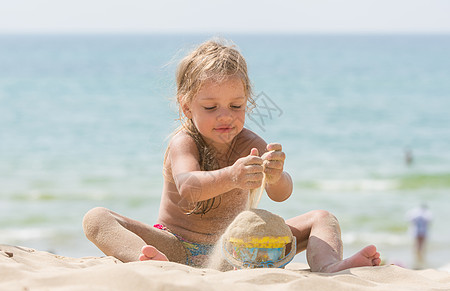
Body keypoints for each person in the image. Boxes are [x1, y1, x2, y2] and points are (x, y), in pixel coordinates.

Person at [82, 39, 381, 272]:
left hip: (235, 251)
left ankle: (329, 266)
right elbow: (189, 186)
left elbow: (282, 195)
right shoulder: (184, 142)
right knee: (97, 218)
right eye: (211, 108)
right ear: (187, 108)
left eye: (236, 106)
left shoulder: (248, 142)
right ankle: (146, 260)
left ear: (247, 102)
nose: (225, 116)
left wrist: (275, 177)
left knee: (322, 218)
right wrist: (232, 176)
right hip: (176, 246)